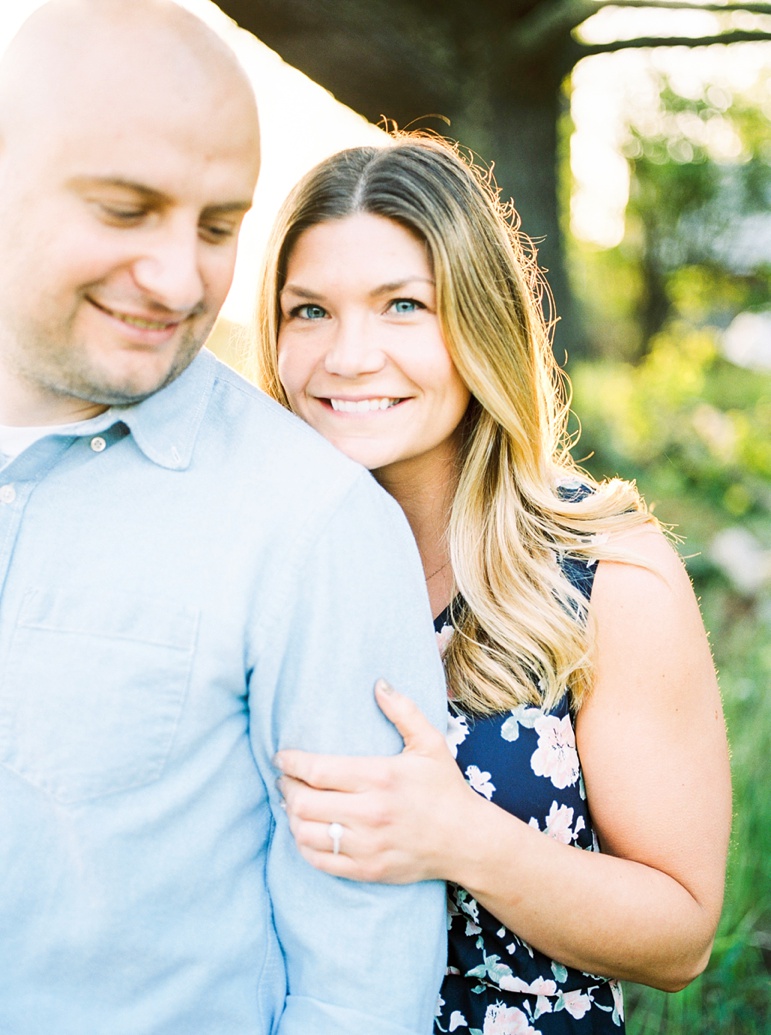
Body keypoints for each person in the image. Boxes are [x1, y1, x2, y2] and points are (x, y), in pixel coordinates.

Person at [0, 4, 448, 1033]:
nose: (178, 277)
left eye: (216, 227)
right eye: (124, 210)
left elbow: (362, 984)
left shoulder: (315, 524)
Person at [255, 134, 733, 1034]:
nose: (349, 356)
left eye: (403, 305)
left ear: (478, 320)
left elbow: (680, 937)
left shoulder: (604, 572)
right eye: (308, 311)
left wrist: (461, 838)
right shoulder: (247, 559)